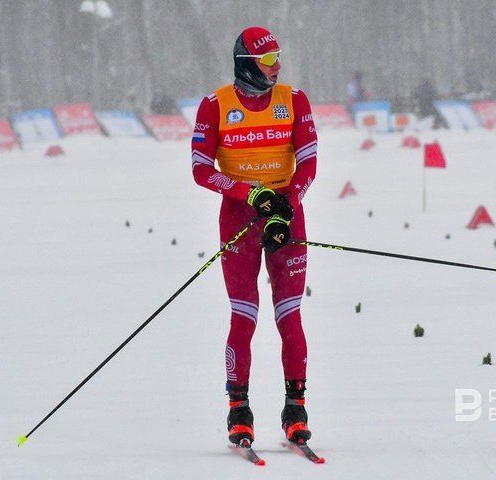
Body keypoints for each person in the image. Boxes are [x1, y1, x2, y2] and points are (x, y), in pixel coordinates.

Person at [190, 26, 318, 447]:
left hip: (286, 216)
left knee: (289, 316)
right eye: (267, 60)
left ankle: (295, 409)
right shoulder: (215, 105)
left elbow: (308, 165)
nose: (276, 66)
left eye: (278, 56)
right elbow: (201, 169)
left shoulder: (294, 101)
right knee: (244, 315)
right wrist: (249, 193)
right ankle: (238, 410)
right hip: (239, 219)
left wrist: (286, 206)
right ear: (247, 65)